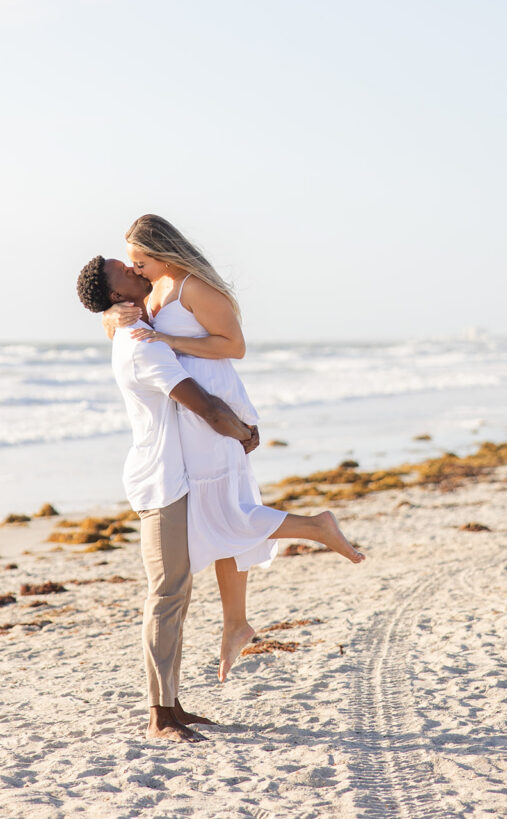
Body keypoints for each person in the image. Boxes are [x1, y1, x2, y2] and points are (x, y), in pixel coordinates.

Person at [103, 214, 365, 681]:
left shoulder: (195, 288)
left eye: (139, 259)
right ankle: (235, 623)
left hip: (212, 408)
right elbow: (126, 335)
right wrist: (111, 314)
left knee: (226, 512)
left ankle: (316, 526)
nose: (134, 267)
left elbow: (234, 346)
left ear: (160, 252)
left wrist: (169, 339)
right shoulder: (155, 289)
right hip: (188, 417)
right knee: (221, 514)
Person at [76, 254, 260, 745]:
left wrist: (110, 316)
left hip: (171, 476)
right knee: (165, 595)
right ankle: (159, 716)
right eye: (124, 271)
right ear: (117, 295)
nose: (136, 270)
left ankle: (174, 704)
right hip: (158, 482)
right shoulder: (143, 345)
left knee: (176, 593)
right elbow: (202, 405)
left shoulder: (135, 324)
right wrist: (244, 432)